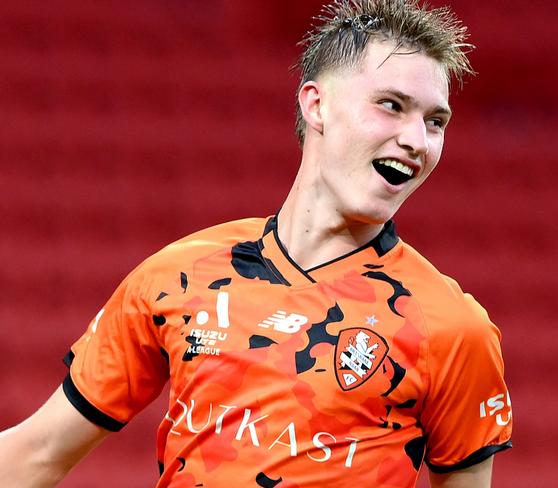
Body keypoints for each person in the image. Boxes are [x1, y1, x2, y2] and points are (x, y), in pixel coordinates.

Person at [0, 0, 512, 486]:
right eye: (391, 105)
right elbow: (37, 455)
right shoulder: (179, 276)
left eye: (435, 122)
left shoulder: (452, 328)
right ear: (317, 105)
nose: (416, 140)